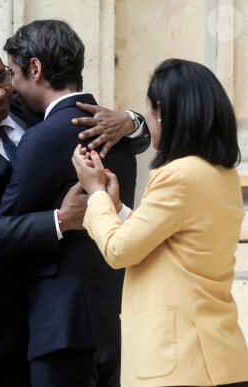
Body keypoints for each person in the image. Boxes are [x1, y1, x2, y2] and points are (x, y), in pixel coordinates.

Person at [0, 37, 146, 387]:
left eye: (2, 77)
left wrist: (129, 120)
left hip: (32, 331)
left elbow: (102, 127)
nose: (0, 94)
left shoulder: (28, 110)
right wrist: (60, 221)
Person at [72, 58, 248, 386]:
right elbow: (170, 240)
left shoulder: (178, 176)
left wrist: (95, 194)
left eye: (149, 110)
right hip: (217, 357)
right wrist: (119, 208)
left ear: (163, 113)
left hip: (182, 363)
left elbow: (118, 250)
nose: (149, 120)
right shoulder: (219, 175)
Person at [0, 20, 137, 386]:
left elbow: (6, 225)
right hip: (111, 313)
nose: (9, 87)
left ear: (35, 69)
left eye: (12, 74)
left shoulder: (42, 138)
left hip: (60, 324)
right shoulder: (116, 133)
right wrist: (132, 119)